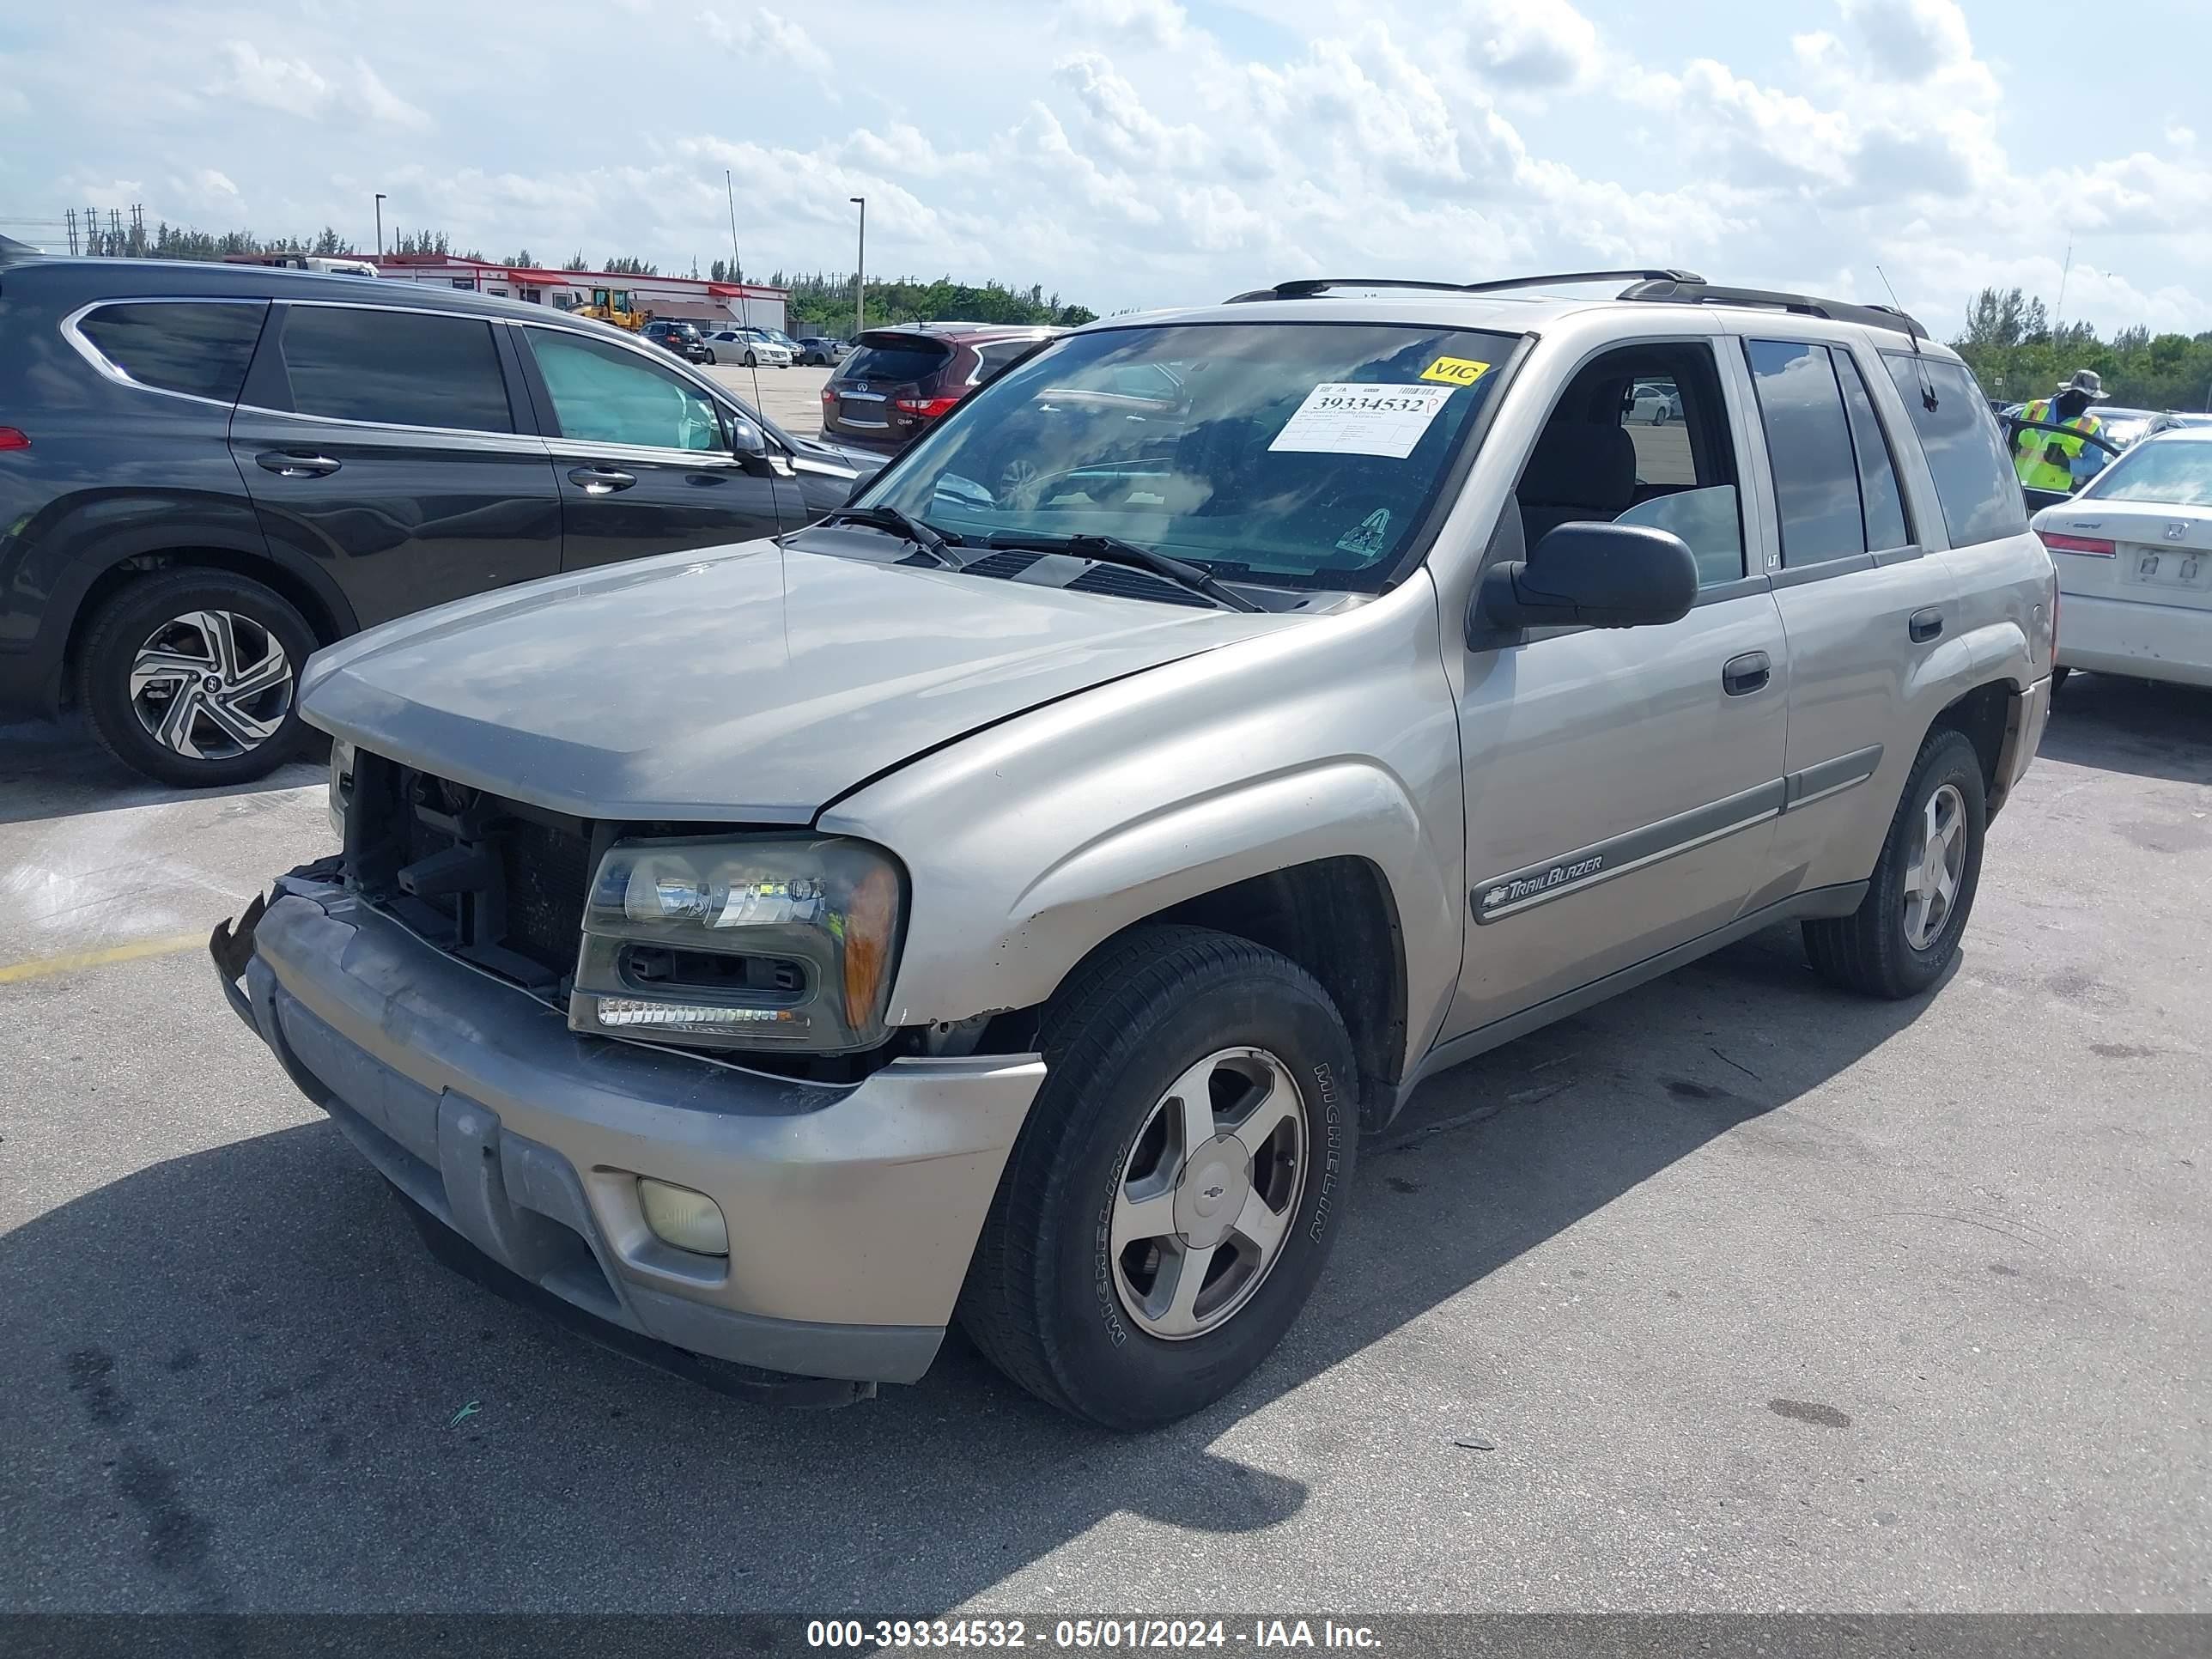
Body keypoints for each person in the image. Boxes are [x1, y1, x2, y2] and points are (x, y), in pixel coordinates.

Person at [2013, 369, 2111, 492]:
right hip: (2013, 486)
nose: (2085, 402)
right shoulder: (2035, 408)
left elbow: (2094, 463)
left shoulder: (2092, 425)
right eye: (2081, 396)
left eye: (2091, 399)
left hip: (2052, 494)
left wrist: (2067, 463)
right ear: (2068, 391)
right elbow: (2006, 436)